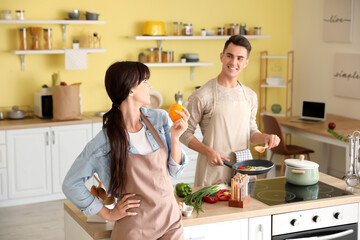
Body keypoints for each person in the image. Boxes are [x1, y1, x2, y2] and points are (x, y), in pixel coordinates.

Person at [62, 61, 190, 239]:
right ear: (131, 90)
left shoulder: (160, 120)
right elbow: (71, 184)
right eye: (145, 81)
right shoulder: (105, 141)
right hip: (135, 228)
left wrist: (175, 138)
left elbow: (175, 171)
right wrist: (108, 214)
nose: (150, 86)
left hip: (170, 222)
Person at [179, 35, 280, 187]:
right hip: (213, 170)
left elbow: (251, 133)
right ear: (222, 56)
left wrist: (266, 137)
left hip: (243, 171)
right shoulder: (202, 95)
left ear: (246, 63)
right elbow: (183, 133)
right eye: (230, 56)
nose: (233, 62)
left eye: (240, 58)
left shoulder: (250, 96)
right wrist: (207, 151)